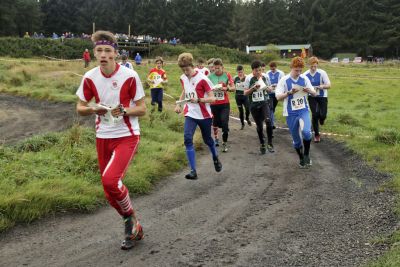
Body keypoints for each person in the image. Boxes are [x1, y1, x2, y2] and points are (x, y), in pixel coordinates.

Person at [75, 30, 146, 250]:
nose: (103, 54)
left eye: (108, 50)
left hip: (127, 135)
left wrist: (124, 111)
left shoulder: (129, 76)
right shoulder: (90, 77)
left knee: (110, 181)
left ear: (115, 53)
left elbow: (142, 108)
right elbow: (80, 107)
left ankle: (130, 220)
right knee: (108, 192)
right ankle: (132, 222)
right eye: (99, 51)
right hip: (102, 135)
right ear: (94, 53)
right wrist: (92, 108)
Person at [174, 52, 222, 179]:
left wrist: (200, 100)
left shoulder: (203, 79)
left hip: (204, 115)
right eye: (183, 70)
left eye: (187, 69)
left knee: (208, 140)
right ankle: (193, 171)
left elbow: (212, 99)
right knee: (187, 138)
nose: (186, 72)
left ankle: (215, 157)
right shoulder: (183, 78)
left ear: (192, 66)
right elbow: (185, 90)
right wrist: (179, 104)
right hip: (190, 113)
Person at [275, 57, 317, 168]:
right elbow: (278, 97)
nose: (298, 73)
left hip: (303, 110)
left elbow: (314, 93)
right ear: (291, 68)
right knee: (297, 141)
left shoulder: (304, 79)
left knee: (307, 132)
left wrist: (310, 91)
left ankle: (307, 155)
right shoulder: (284, 80)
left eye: (300, 70)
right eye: (296, 70)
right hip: (290, 112)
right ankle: (301, 157)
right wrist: (288, 93)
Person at [244, 60, 274, 154]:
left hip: (264, 102)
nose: (258, 72)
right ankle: (262, 143)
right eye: (256, 70)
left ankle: (270, 143)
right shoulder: (248, 78)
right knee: (259, 126)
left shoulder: (265, 76)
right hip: (253, 105)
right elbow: (245, 93)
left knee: (268, 121)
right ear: (252, 70)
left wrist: (265, 87)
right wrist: (253, 88)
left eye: (260, 70)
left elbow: (270, 89)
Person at [208, 58, 235, 152]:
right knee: (215, 123)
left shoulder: (227, 75)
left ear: (222, 67)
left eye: (218, 68)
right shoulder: (210, 77)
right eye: (215, 68)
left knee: (224, 123)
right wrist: (212, 90)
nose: (216, 70)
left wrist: (226, 88)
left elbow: (233, 88)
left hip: (224, 103)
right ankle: (216, 138)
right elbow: (206, 89)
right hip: (214, 103)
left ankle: (224, 143)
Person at [303, 56, 331, 143]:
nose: (313, 68)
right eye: (312, 66)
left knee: (323, 115)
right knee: (315, 115)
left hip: (322, 96)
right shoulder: (305, 75)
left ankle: (322, 119)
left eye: (315, 66)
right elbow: (302, 87)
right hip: (312, 97)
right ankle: (316, 135)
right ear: (308, 65)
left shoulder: (322, 73)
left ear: (317, 65)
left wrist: (322, 86)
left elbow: (329, 85)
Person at [266, 61, 285, 129]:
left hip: (277, 93)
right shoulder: (267, 73)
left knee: (273, 108)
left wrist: (276, 85)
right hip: (270, 93)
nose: (272, 70)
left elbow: (282, 83)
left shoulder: (281, 73)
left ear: (276, 67)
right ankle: (272, 124)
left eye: (273, 69)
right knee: (271, 108)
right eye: (271, 69)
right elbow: (266, 83)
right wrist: (270, 86)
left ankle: (271, 120)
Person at [233, 65, 251, 129]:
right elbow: (232, 87)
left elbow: (250, 86)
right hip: (238, 97)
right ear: (237, 72)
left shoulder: (247, 77)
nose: (240, 73)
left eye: (241, 72)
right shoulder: (235, 78)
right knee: (241, 111)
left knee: (247, 109)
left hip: (245, 96)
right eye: (238, 72)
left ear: (243, 71)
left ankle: (247, 118)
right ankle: (242, 124)